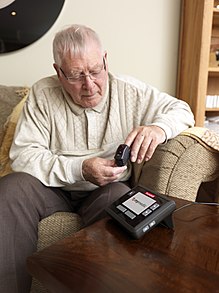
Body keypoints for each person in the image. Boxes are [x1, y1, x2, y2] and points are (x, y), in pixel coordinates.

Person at [0, 24, 195, 292]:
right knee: (12, 188)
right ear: (58, 72)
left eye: (95, 71)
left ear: (105, 60)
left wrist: (158, 128)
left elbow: (181, 110)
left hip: (105, 190)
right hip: (50, 190)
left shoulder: (129, 91)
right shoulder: (42, 94)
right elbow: (23, 157)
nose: (89, 85)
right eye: (76, 75)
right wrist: (79, 169)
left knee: (120, 199)